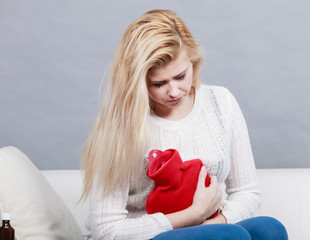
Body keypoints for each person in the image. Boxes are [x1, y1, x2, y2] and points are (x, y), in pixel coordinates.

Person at [80, 9, 288, 240]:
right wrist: (194, 214)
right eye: (159, 83)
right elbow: (106, 231)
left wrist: (216, 222)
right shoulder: (122, 125)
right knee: (229, 237)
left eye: (180, 76)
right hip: (148, 236)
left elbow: (247, 192)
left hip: (213, 228)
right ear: (137, 82)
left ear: (193, 62)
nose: (174, 91)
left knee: (268, 229)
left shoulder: (220, 102)